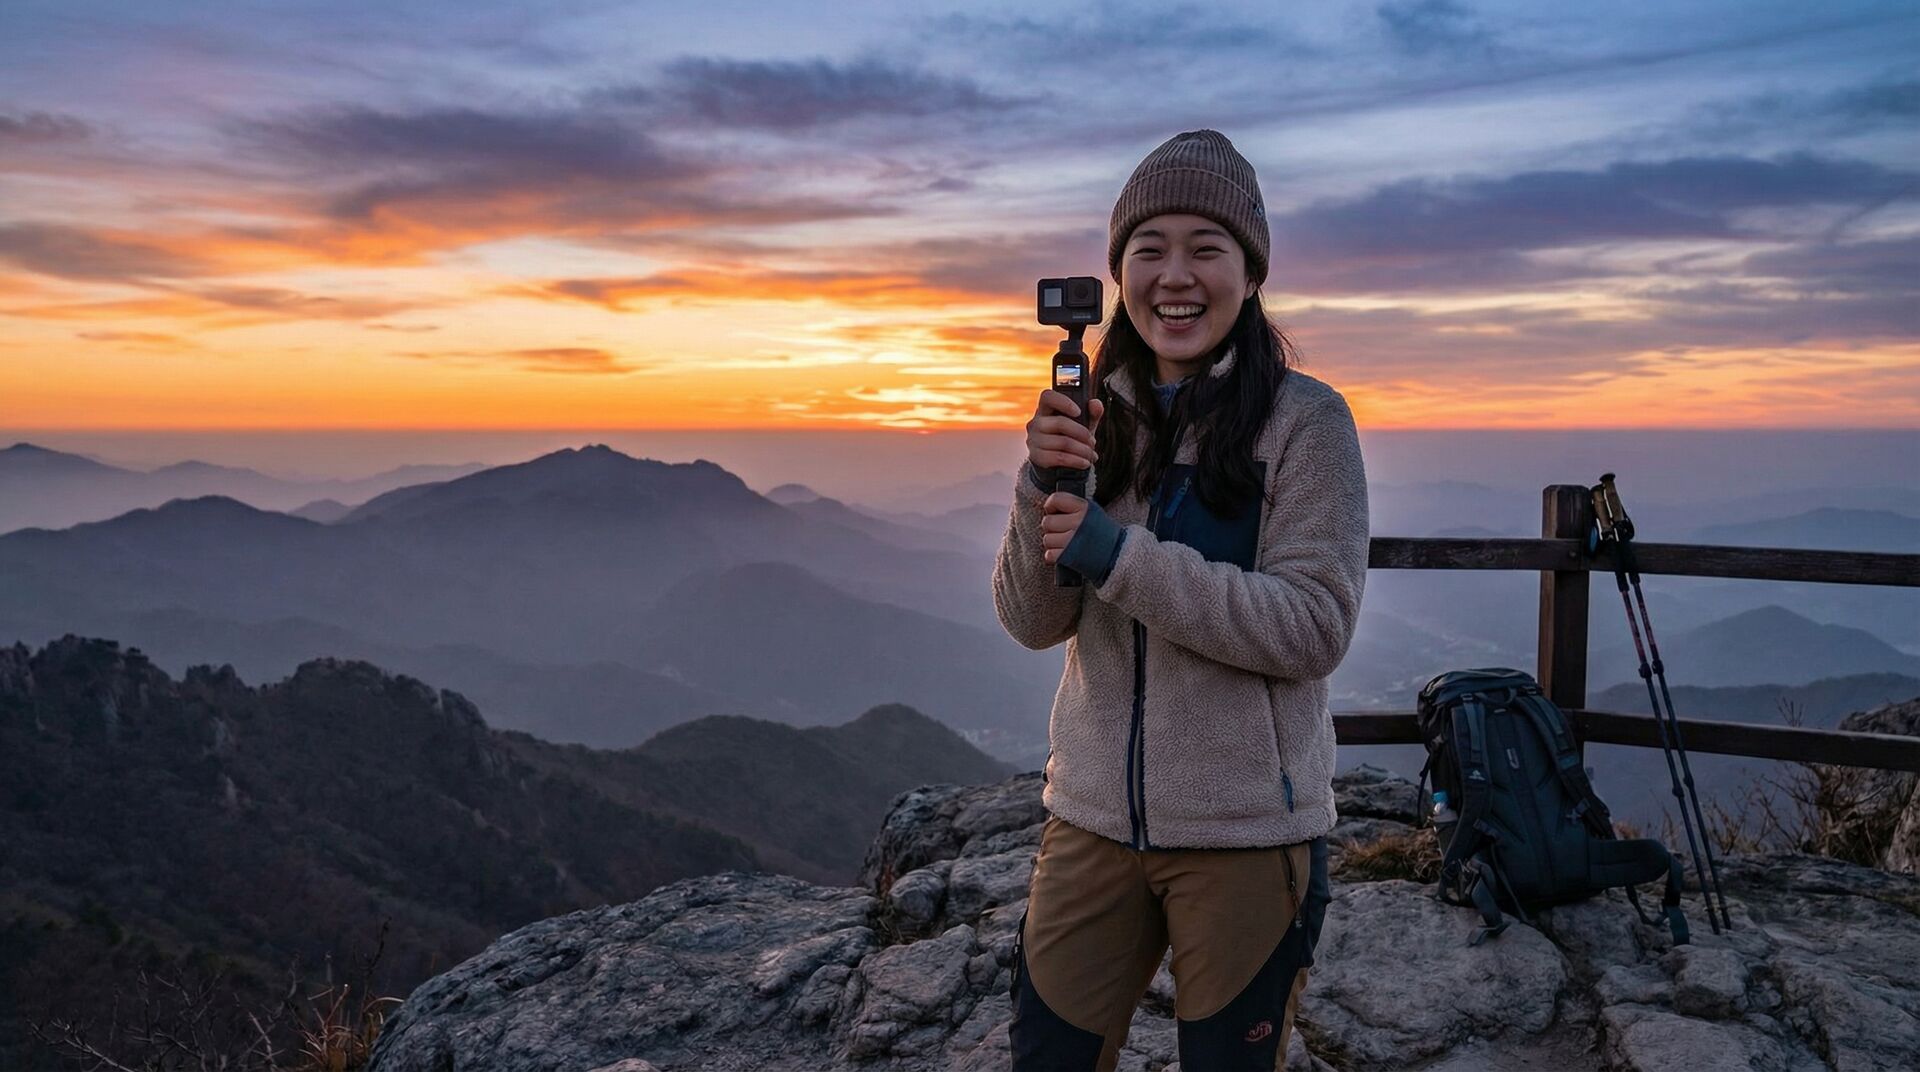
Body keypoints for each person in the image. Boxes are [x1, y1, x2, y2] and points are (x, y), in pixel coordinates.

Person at [990, 129, 1370, 1071]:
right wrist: (1043, 483)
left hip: (1246, 836)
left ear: (1251, 272)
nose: (1175, 277)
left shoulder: (1305, 422)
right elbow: (1032, 621)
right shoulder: (1094, 415)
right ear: (1119, 273)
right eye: (1149, 249)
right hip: (1090, 821)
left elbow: (1313, 625)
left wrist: (1120, 555)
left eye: (1207, 248)